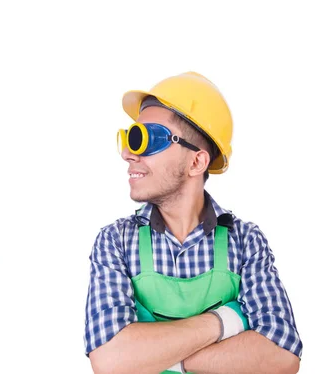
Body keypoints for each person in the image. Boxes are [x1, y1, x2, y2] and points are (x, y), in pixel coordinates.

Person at [83, 72, 302, 374]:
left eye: (144, 139)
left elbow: (282, 357)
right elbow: (110, 361)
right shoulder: (116, 241)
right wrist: (228, 321)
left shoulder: (247, 242)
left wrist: (155, 358)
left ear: (196, 162)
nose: (127, 153)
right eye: (129, 138)